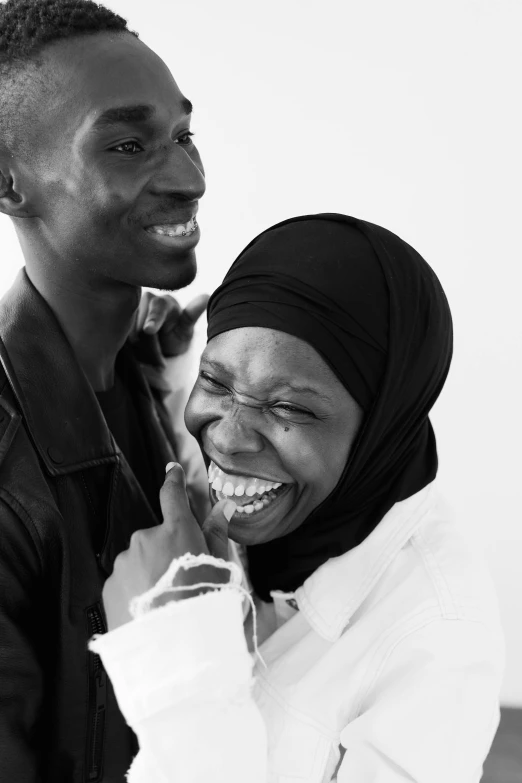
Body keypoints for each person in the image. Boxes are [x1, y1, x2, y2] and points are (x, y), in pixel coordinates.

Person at [93, 215, 505, 783]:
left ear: (382, 426)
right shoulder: (297, 508)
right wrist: (164, 378)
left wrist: (180, 659)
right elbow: (223, 468)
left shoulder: (439, 642)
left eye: (288, 408)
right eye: (215, 382)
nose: (228, 436)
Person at [0, 0, 209, 779]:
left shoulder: (150, 375)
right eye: (128, 145)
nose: (189, 179)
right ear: (8, 181)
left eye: (184, 136)